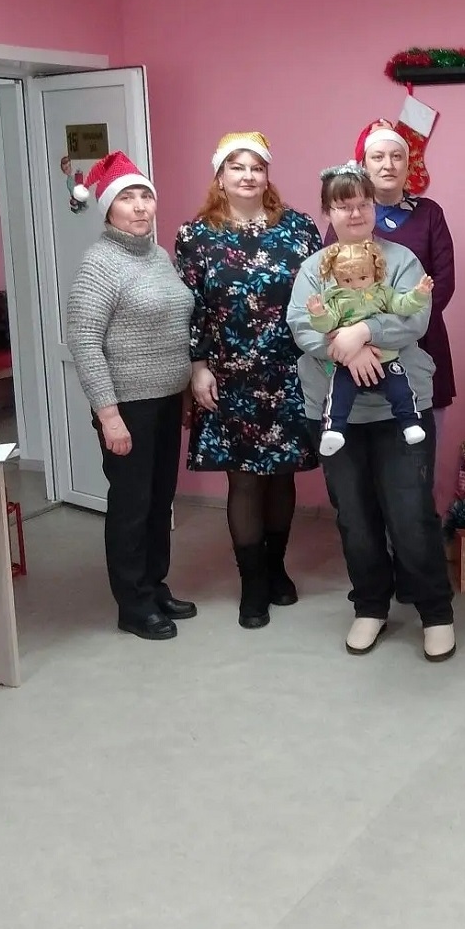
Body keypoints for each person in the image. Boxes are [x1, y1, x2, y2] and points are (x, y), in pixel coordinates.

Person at [289, 163, 455, 662]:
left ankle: (435, 611)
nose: (355, 212)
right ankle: (370, 606)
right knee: (355, 517)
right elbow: (302, 324)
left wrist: (366, 332)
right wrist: (348, 350)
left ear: (374, 207)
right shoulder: (313, 268)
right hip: (336, 415)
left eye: (363, 203)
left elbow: (415, 316)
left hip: (401, 409)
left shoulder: (401, 259)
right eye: (344, 205)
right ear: (329, 211)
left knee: (410, 513)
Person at [175, 132, 322, 629]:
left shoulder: (299, 228)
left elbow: (320, 295)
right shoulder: (196, 235)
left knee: (282, 475)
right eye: (236, 167)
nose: (247, 175)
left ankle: (277, 570)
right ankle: (252, 584)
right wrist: (197, 367)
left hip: (289, 370)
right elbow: (191, 307)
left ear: (267, 175)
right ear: (220, 177)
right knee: (243, 479)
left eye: (256, 167)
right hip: (229, 376)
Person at [66, 152, 195, 640]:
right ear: (108, 209)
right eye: (127, 198)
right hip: (126, 406)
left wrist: (183, 390)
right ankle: (133, 603)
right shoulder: (99, 264)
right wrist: (109, 414)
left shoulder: (158, 256)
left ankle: (154, 586)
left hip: (166, 399)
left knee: (160, 501)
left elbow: (174, 325)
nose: (140, 207)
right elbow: (84, 341)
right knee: (131, 505)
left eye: (145, 196)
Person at [328, 119, 456, 439]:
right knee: (361, 440)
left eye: (396, 156)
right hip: (359, 350)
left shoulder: (429, 214)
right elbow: (328, 279)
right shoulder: (346, 216)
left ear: (407, 165)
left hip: (420, 339)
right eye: (378, 157)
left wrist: (398, 326)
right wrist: (365, 334)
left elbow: (443, 282)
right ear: (363, 165)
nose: (388, 165)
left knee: (419, 443)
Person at [305, 238, 433, 455]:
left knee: (401, 390)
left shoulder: (383, 293)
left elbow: (403, 307)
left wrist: (418, 294)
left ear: (374, 273)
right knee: (338, 395)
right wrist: (319, 314)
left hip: (386, 358)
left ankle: (410, 423)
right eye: (347, 280)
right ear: (336, 278)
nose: (356, 285)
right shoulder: (335, 299)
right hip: (347, 363)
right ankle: (333, 431)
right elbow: (326, 326)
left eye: (363, 278)